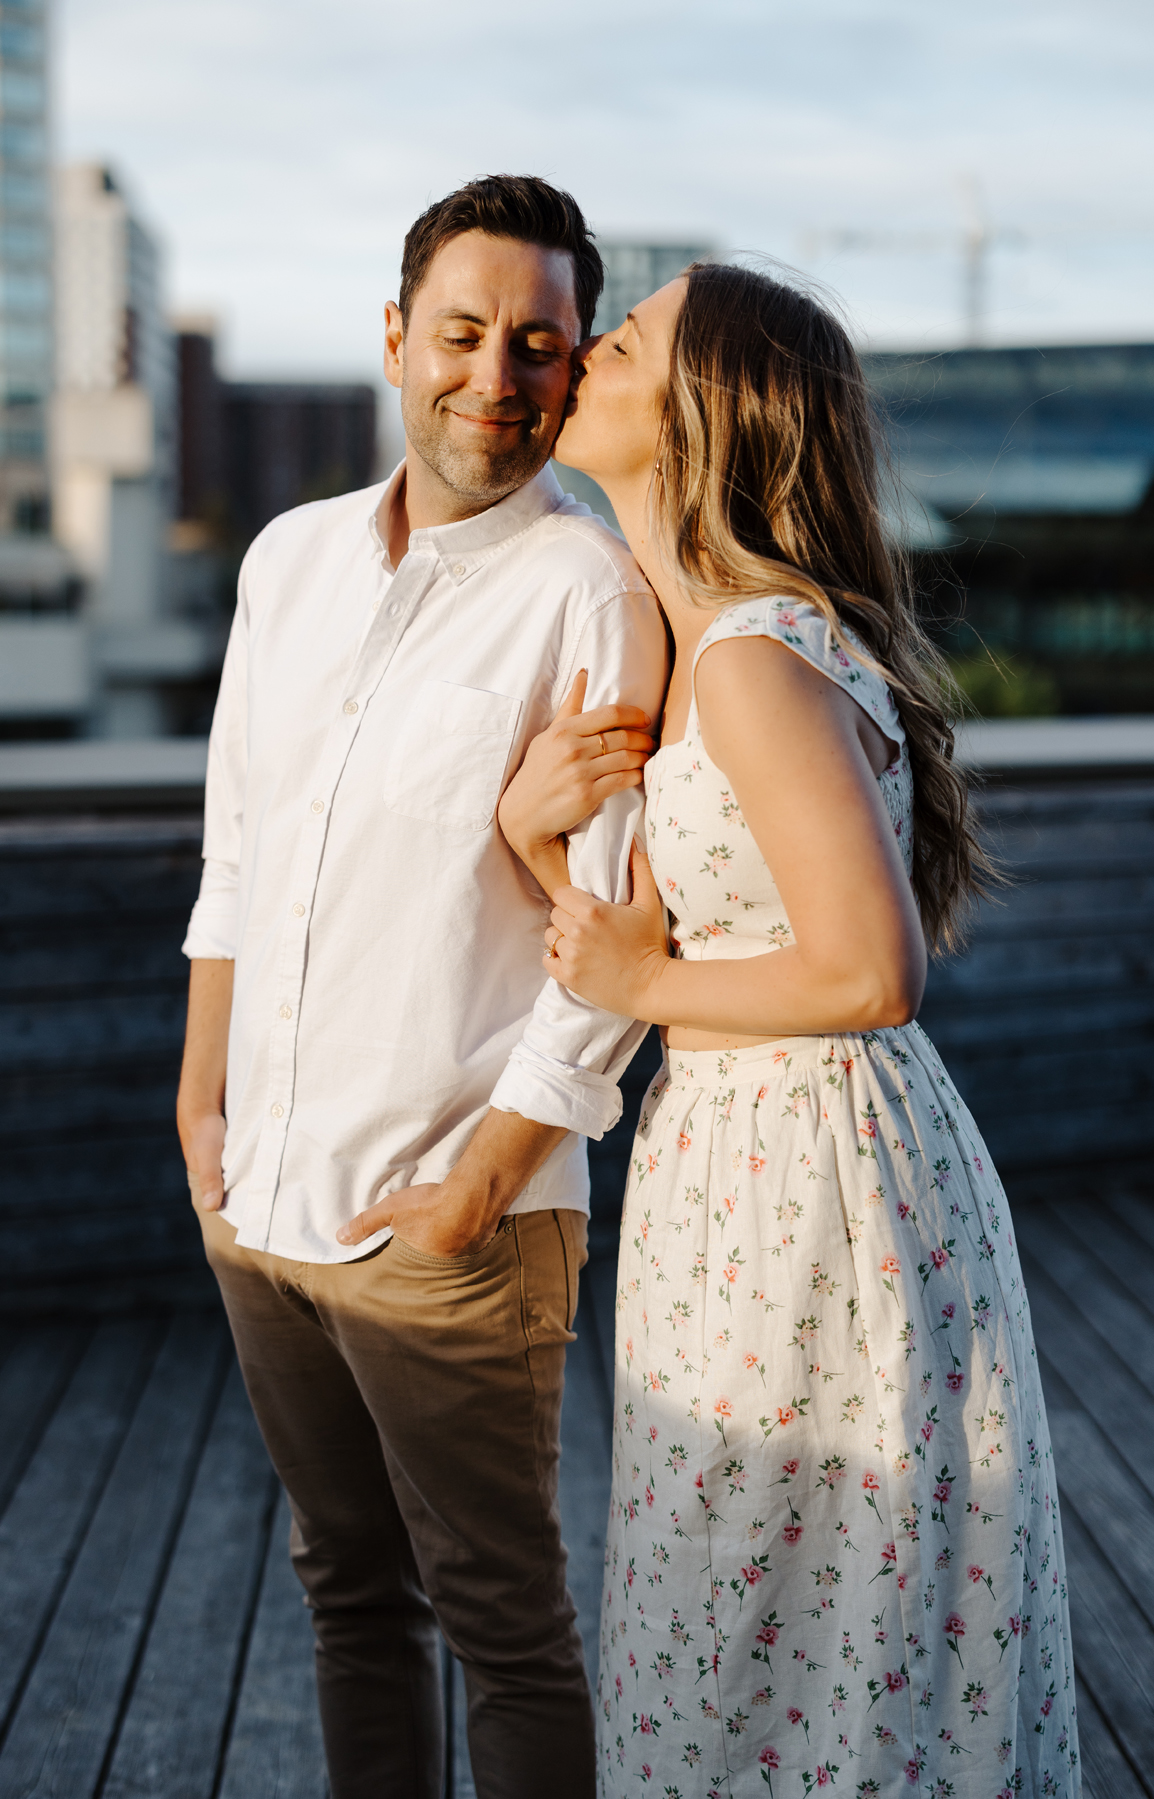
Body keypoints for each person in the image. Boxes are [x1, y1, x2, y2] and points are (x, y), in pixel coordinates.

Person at [499, 263, 1080, 1796]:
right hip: (751, 1164)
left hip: (813, 1175)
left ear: (703, 416)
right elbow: (666, 927)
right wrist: (530, 829)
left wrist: (642, 991)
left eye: (619, 343)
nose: (583, 354)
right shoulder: (709, 648)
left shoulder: (754, 659)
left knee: (799, 1600)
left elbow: (869, 970)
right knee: (765, 1603)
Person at [175, 174, 668, 1799]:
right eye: (463, 333)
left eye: (539, 344)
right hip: (263, 1188)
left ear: (577, 361)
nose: (496, 376)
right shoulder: (287, 563)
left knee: (500, 1622)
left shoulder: (589, 592)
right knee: (347, 1592)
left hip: (454, 1210)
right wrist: (202, 1096)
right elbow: (238, 844)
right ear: (398, 339)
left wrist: (476, 1188)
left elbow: (609, 942)